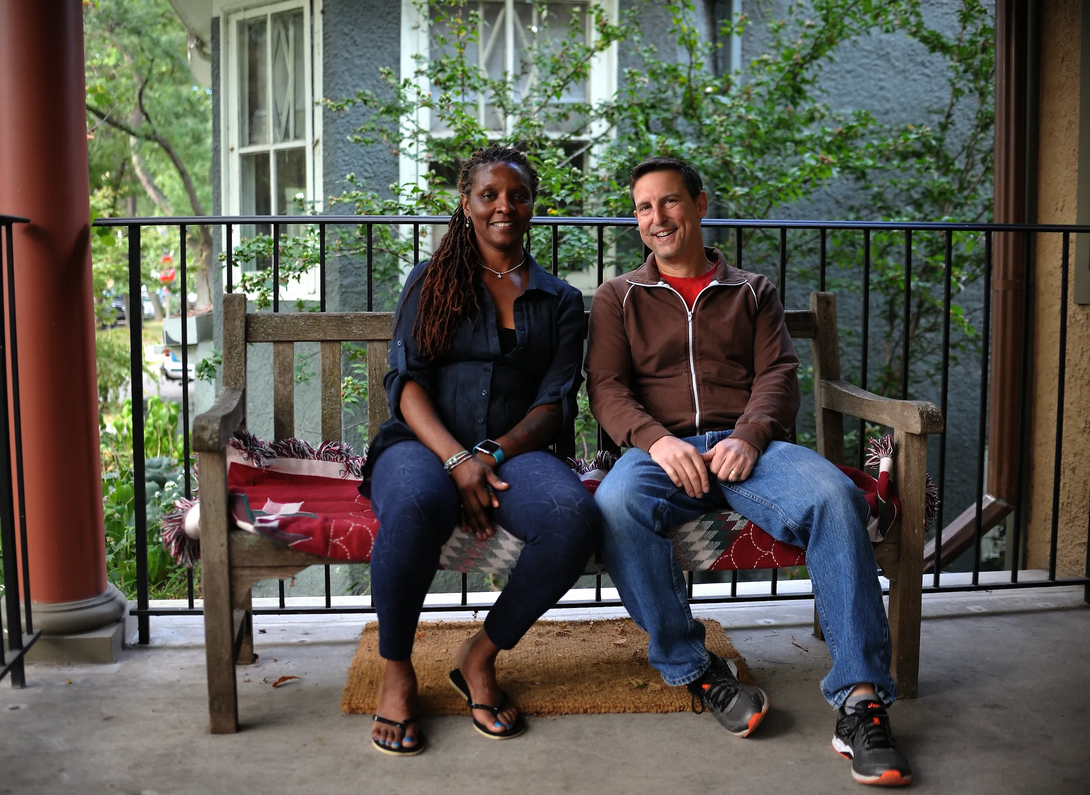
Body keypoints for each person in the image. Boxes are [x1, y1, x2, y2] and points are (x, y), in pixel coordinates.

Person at [585, 156, 913, 787]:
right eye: (644, 207)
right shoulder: (617, 297)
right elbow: (605, 388)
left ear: (700, 206)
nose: (658, 218)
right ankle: (696, 670)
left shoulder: (751, 290)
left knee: (833, 495)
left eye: (670, 202)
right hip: (661, 455)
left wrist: (749, 436)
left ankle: (860, 700)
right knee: (617, 505)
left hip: (751, 452)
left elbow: (778, 376)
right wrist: (655, 442)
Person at [360, 145, 600, 757]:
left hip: (514, 453)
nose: (503, 206)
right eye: (489, 195)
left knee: (573, 518)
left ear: (532, 205)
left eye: (516, 195)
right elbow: (405, 382)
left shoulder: (560, 301)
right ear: (466, 204)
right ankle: (397, 670)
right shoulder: (431, 279)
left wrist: (489, 453)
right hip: (422, 444)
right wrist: (457, 460)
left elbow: (556, 403)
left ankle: (481, 655)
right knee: (415, 503)